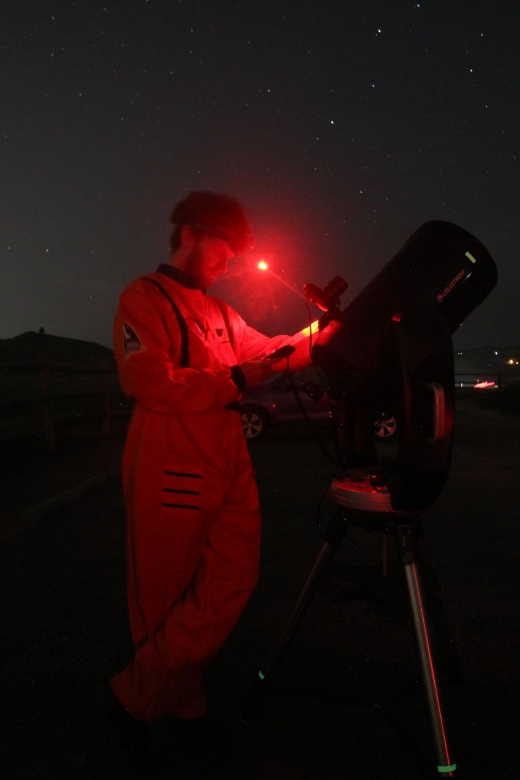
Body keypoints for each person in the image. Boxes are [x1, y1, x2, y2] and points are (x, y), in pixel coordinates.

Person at [103, 191, 314, 771]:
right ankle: (183, 706)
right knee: (162, 596)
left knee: (233, 578)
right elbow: (151, 383)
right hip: (170, 461)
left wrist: (325, 332)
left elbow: (272, 352)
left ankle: (134, 695)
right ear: (192, 233)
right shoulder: (143, 297)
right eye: (225, 249)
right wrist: (237, 377)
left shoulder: (222, 314)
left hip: (226, 459)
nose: (229, 263)